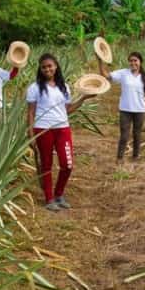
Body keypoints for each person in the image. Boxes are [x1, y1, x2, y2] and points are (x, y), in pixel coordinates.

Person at [26, 54, 96, 211]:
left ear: (56, 66)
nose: (47, 69)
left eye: (50, 66)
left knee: (67, 164)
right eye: (44, 67)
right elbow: (30, 112)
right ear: (40, 69)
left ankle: (59, 193)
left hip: (62, 129)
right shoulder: (34, 88)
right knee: (46, 164)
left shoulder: (64, 86)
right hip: (43, 129)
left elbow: (67, 109)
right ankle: (49, 198)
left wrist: (83, 98)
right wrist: (30, 134)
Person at [98, 51, 145, 161]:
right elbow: (106, 75)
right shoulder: (123, 73)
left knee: (137, 135)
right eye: (131, 61)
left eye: (135, 60)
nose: (133, 63)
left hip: (140, 110)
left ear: (140, 62)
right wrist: (100, 61)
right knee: (124, 135)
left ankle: (136, 156)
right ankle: (120, 158)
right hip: (125, 110)